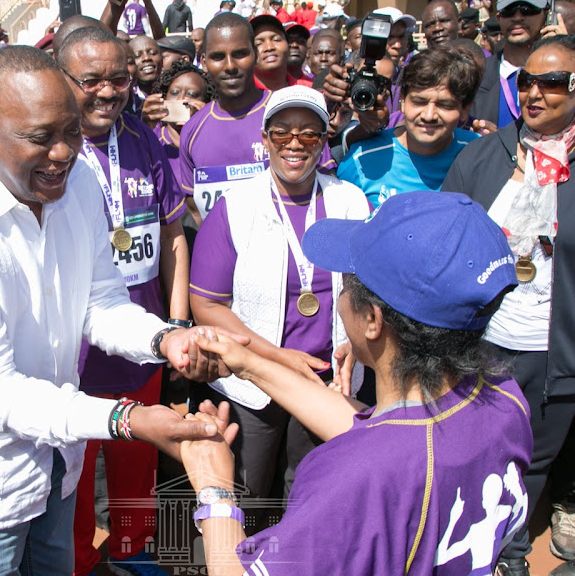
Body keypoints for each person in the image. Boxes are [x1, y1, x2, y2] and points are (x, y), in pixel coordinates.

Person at [0, 44, 238, 575]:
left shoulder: (78, 185)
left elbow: (98, 302)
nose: (64, 153)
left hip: (55, 460)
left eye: (70, 131)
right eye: (40, 138)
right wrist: (129, 420)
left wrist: (165, 340)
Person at [181, 190, 532, 575]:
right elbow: (379, 433)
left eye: (346, 282)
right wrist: (249, 363)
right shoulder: (502, 396)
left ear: (372, 320)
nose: (340, 294)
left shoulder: (352, 481)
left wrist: (214, 486)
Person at [188, 85, 369, 526]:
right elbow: (208, 306)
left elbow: (365, 289)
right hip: (252, 382)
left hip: (329, 382)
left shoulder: (350, 201)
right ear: (264, 138)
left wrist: (357, 347)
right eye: (282, 132)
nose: (294, 144)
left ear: (325, 141)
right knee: (249, 493)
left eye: (309, 135)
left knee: (313, 495)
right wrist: (277, 359)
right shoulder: (236, 206)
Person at [56, 26, 190, 576]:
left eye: (118, 78)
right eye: (91, 80)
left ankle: (134, 552)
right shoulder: (50, 147)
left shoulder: (145, 139)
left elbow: (174, 236)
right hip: (77, 350)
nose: (108, 92)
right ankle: (83, 560)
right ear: (62, 79)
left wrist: (176, 321)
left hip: (142, 338)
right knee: (77, 473)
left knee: (138, 461)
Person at [443, 35, 575, 576]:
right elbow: (449, 237)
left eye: (553, 82)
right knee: (472, 450)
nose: (536, 92)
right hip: (482, 340)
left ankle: (511, 554)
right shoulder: (486, 154)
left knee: (533, 460)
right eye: (527, 81)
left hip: (552, 349)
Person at [338, 46, 480, 207]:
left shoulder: (481, 154)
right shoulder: (360, 161)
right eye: (419, 102)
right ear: (403, 102)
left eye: (444, 105)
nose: (429, 115)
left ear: (465, 109)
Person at [178, 13, 271, 225]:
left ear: (255, 54)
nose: (230, 66)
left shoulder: (285, 113)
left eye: (239, 54)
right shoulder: (192, 130)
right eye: (218, 57)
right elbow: (194, 211)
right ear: (203, 62)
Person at [471, 0, 549, 130]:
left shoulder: (563, 75)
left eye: (528, 9)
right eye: (509, 11)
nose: (518, 17)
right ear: (499, 18)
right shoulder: (476, 76)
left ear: (547, 15)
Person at [150, 60, 215, 188]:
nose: (181, 99)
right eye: (174, 93)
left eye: (191, 94)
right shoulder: (153, 139)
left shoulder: (214, 138)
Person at [251, 14, 292, 91]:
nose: (269, 47)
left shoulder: (307, 89)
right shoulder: (241, 96)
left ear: (288, 46)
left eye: (276, 40)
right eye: (258, 43)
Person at [131, 34, 163, 101]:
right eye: (137, 56)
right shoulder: (126, 98)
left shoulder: (172, 90)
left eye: (152, 53)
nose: (146, 58)